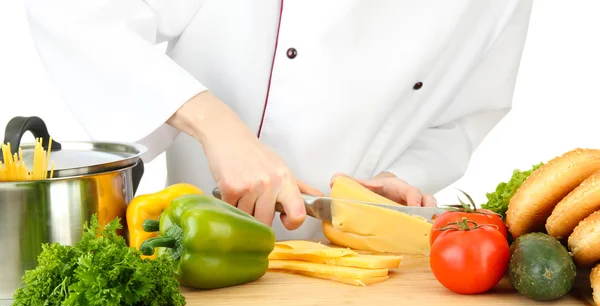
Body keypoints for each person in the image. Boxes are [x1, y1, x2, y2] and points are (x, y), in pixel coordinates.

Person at [22, 0, 534, 240]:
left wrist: (403, 175)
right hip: (205, 244)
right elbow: (77, 12)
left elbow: (463, 113)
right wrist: (217, 125)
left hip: (366, 269)